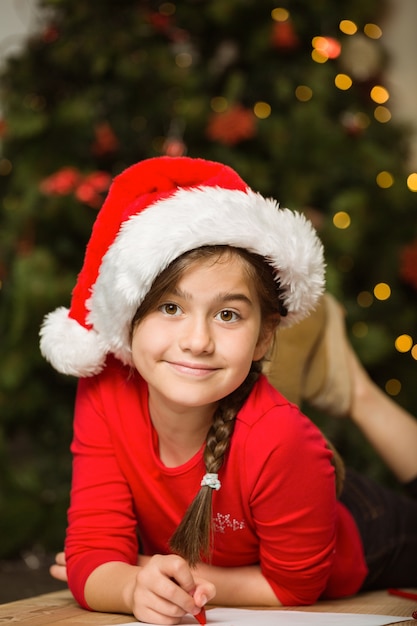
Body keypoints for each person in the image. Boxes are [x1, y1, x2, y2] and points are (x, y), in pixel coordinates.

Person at [40, 156, 417, 624]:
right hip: (279, 498)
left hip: (361, 525)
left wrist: (151, 573)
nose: (197, 341)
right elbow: (93, 551)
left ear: (263, 336)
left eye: (228, 314)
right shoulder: (104, 388)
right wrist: (133, 587)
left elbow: (294, 585)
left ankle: (354, 389)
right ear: (126, 315)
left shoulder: (283, 438)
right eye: (170, 307)